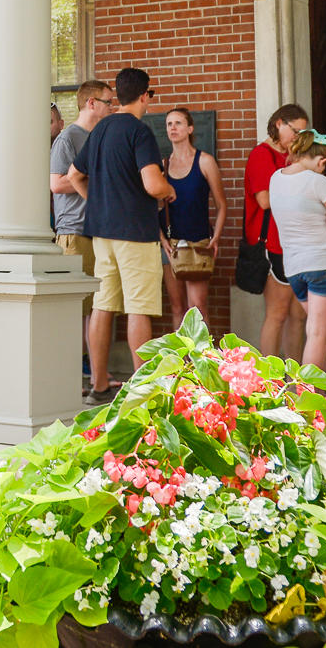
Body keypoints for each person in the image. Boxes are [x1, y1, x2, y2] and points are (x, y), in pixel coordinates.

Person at [69, 67, 176, 403]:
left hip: (102, 232)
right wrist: (169, 190)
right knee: (138, 308)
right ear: (145, 95)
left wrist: (101, 202)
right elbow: (152, 184)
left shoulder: (100, 129)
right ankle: (142, 392)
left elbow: (75, 176)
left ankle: (98, 387)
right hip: (135, 232)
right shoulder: (141, 132)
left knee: (103, 307)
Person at [259, 130, 326, 370]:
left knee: (323, 328)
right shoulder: (318, 181)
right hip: (323, 263)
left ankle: (317, 393)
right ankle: (305, 395)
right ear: (322, 161)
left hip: (293, 268)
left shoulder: (275, 178)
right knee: (317, 332)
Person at [51, 79, 112, 370]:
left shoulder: (101, 135)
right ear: (91, 103)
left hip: (99, 229)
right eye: (108, 102)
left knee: (96, 304)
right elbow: (57, 183)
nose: (111, 108)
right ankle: (67, 367)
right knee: (75, 306)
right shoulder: (68, 138)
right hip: (74, 231)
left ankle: (91, 368)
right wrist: (99, 179)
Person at [246, 105, 311, 361]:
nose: (298, 138)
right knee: (277, 312)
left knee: (299, 314)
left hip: (294, 243)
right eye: (296, 131)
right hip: (272, 242)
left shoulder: (293, 156)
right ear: (279, 124)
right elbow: (264, 200)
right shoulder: (261, 155)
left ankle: (294, 379)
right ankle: (268, 381)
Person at [160, 106, 227, 322]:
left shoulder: (205, 161)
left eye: (178, 123)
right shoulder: (162, 166)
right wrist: (162, 240)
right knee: (177, 305)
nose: (173, 128)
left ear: (190, 128)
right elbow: (151, 208)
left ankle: (202, 357)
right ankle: (181, 357)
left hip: (198, 241)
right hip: (171, 244)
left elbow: (221, 204)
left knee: (197, 308)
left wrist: (216, 236)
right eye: (169, 124)